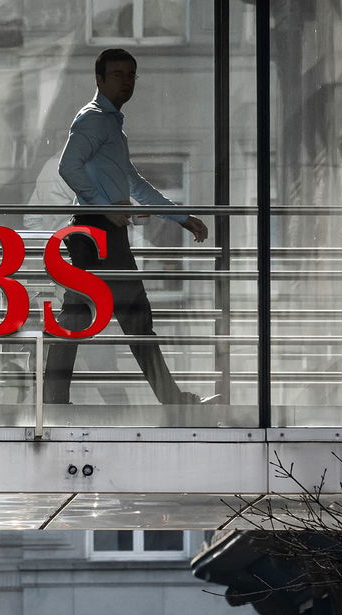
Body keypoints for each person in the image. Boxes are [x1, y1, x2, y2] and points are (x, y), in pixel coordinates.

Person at [43, 48, 217, 406]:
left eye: (130, 75)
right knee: (133, 315)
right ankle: (169, 398)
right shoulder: (94, 120)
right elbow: (68, 167)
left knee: (81, 315)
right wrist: (106, 208)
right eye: (118, 74)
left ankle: (53, 398)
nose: (125, 81)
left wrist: (180, 218)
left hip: (97, 231)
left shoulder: (109, 125)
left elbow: (133, 183)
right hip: (97, 231)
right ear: (99, 79)